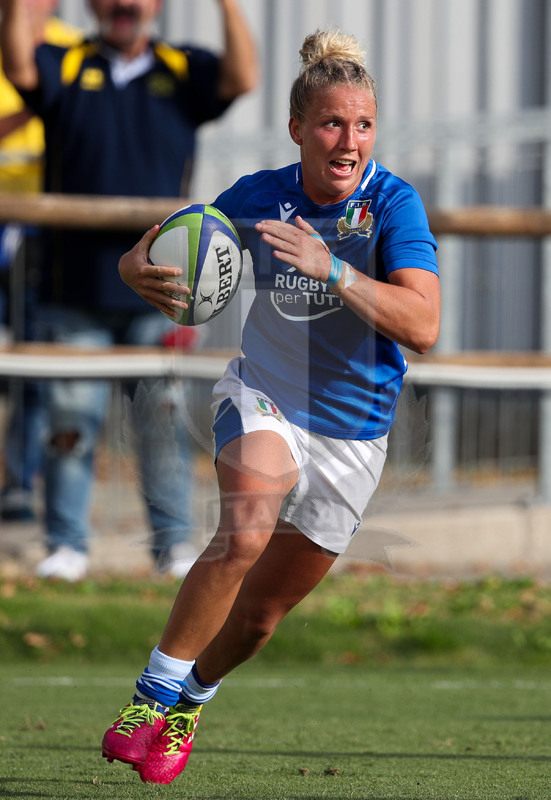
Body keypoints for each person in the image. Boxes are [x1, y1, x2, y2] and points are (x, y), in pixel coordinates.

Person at [100, 27, 440, 785]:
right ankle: (147, 699)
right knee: (244, 530)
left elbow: (423, 326)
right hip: (265, 398)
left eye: (361, 124)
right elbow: (166, 249)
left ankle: (190, 699)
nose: (347, 140)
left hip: (354, 437)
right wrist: (135, 267)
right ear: (297, 129)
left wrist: (334, 271)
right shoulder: (258, 195)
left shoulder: (393, 205)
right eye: (330, 122)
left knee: (257, 618)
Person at [0, 0, 258, 581]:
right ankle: (67, 546)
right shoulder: (65, 65)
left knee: (162, 421)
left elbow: (242, 78)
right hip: (74, 287)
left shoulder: (181, 67)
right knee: (70, 422)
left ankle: (172, 547)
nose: (125, 6)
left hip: (164, 292)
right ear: (94, 6)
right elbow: (17, 65)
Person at [0, 0, 82, 522]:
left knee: (35, 363)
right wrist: (38, 104)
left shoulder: (73, 50)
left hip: (48, 228)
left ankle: (19, 481)